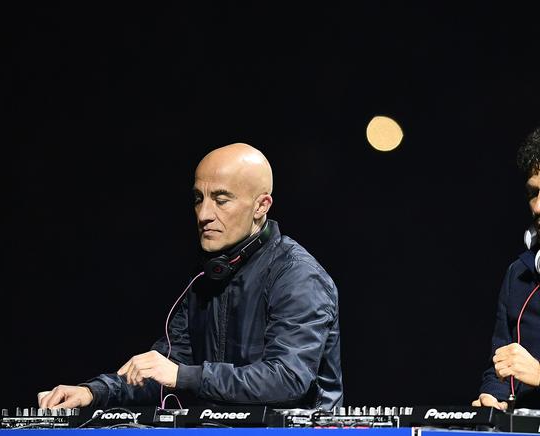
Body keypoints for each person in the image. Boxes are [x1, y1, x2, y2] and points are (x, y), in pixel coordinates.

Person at [39, 142, 343, 411]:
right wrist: (93, 392)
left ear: (261, 206)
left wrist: (183, 376)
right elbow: (162, 368)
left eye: (221, 200)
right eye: (199, 198)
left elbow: (287, 379)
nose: (203, 214)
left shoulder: (298, 276)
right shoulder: (207, 278)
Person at [473, 126, 540, 410]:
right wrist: (493, 396)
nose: (537, 207)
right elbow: (499, 364)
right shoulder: (519, 275)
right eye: (533, 193)